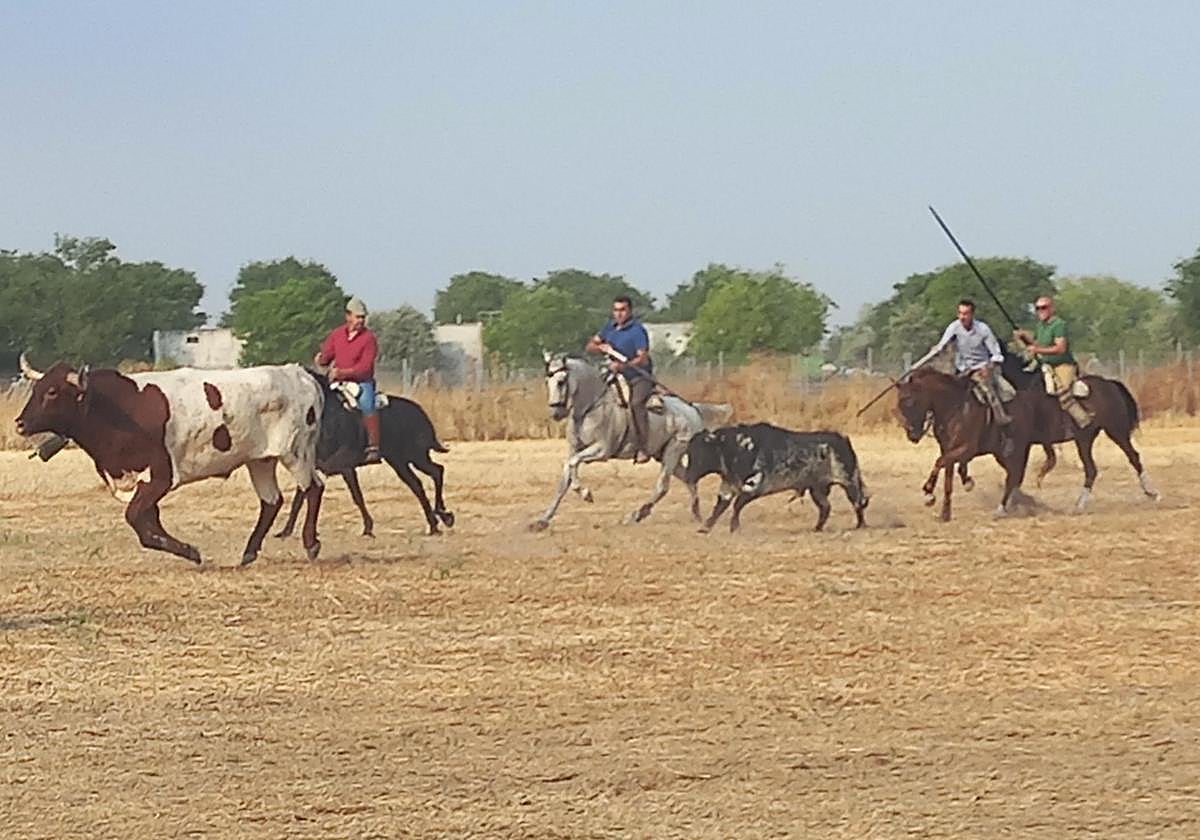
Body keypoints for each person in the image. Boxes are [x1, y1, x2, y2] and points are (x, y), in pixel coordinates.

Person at [586, 295, 654, 463]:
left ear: (629, 311)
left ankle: (643, 447)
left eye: (622, 310)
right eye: (616, 310)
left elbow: (642, 358)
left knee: (636, 404)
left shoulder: (637, 330)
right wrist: (601, 347)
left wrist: (623, 366)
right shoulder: (609, 327)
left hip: (638, 377)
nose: (619, 314)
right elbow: (590, 345)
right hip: (614, 375)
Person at [315, 296, 382, 463]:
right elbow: (327, 355)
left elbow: (365, 367)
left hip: (361, 382)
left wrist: (343, 373)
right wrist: (321, 359)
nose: (360, 320)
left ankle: (374, 445)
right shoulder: (337, 334)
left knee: (367, 404)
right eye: (358, 316)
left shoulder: (369, 338)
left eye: (363, 317)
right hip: (338, 381)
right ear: (348, 316)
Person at [930, 298, 1014, 426]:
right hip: (963, 369)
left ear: (972, 314)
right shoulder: (954, 327)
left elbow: (997, 355)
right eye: (960, 313)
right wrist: (936, 350)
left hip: (982, 368)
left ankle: (1000, 415)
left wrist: (988, 367)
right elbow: (942, 345)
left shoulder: (983, 329)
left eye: (966, 314)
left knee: (987, 389)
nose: (962, 317)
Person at [1014, 295, 1091, 427]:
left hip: (1062, 365)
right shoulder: (1040, 326)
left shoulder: (1059, 325)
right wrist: (1025, 338)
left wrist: (1037, 349)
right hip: (1044, 364)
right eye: (1037, 308)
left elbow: (1060, 348)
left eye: (1043, 307)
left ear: (1052, 308)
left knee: (1062, 390)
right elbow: (1038, 344)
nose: (1040, 311)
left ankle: (1082, 419)